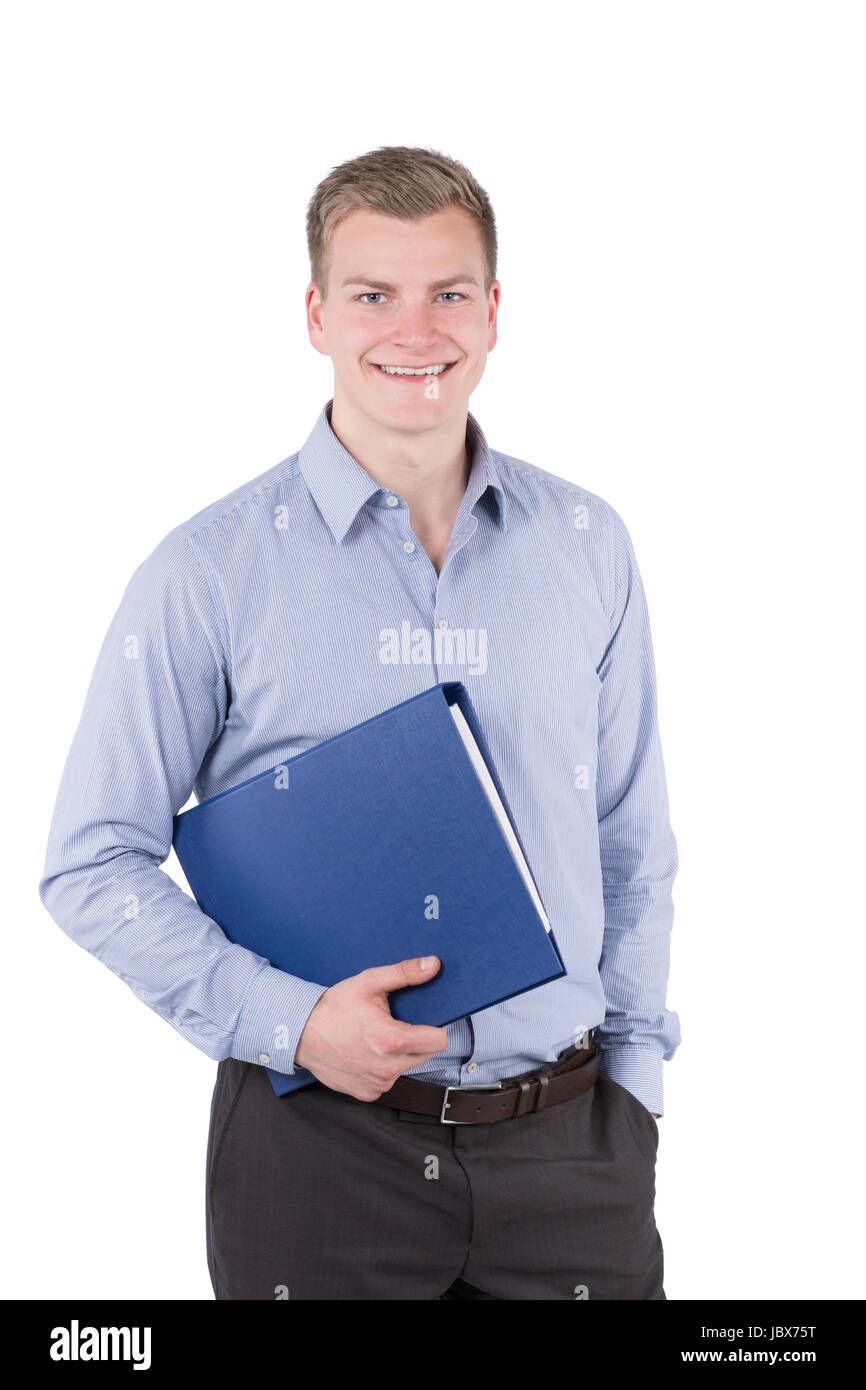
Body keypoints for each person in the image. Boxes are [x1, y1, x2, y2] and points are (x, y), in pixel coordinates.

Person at [39, 144, 680, 1300]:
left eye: (447, 293)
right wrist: (288, 1022)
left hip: (575, 1154)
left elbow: (631, 842)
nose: (413, 330)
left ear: (493, 312)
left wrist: (634, 1087)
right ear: (315, 315)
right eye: (371, 294)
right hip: (323, 1157)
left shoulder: (590, 547)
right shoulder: (206, 573)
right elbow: (90, 860)